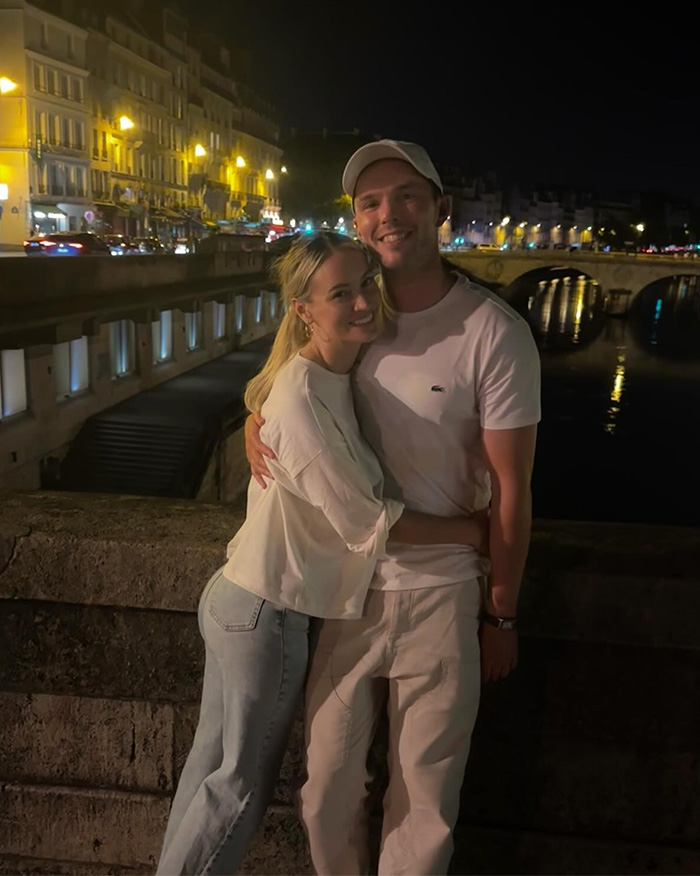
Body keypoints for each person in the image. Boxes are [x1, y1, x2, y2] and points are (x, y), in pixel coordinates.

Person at [245, 141, 541, 875]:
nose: (389, 214)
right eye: (371, 202)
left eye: (407, 196)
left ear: (441, 209)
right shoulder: (355, 318)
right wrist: (256, 420)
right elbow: (296, 385)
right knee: (327, 791)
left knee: (425, 804)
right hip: (349, 591)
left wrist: (501, 611)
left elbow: (514, 489)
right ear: (357, 219)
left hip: (443, 591)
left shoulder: (493, 333)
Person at [156, 231, 488, 876]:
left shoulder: (327, 374)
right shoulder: (305, 394)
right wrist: (477, 533)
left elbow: (289, 421)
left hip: (242, 599)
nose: (364, 301)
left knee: (208, 777)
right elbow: (370, 521)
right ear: (304, 309)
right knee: (238, 789)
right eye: (342, 293)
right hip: (265, 612)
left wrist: (259, 420)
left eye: (367, 282)